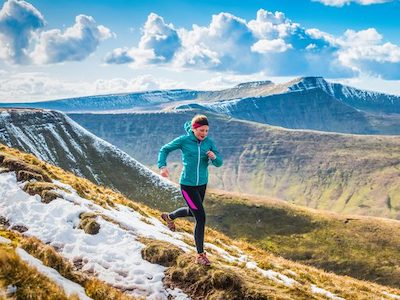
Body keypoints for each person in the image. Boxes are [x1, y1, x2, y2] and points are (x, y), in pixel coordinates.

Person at [157, 114, 223, 266]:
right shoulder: (184, 140)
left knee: (192, 211)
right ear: (194, 129)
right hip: (187, 185)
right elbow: (164, 149)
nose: (204, 134)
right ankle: (200, 255)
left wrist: (214, 157)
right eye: (201, 130)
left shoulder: (209, 143)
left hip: (202, 184)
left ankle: (169, 216)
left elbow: (219, 163)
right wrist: (162, 166)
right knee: (200, 217)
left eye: (206, 131)